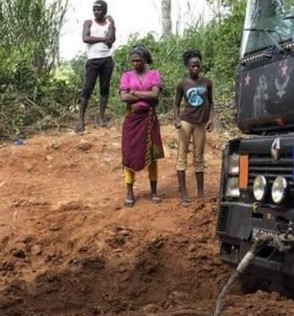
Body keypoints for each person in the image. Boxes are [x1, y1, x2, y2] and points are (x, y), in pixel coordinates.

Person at [118, 46, 164, 207]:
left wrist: (135, 93)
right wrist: (145, 95)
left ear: (145, 60)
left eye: (138, 60)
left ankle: (154, 191)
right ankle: (130, 193)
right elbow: (124, 97)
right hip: (132, 120)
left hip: (149, 119)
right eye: (132, 61)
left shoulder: (154, 74)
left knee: (152, 156)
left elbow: (155, 95)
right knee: (128, 154)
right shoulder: (126, 76)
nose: (135, 64)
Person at [173, 50, 214, 205]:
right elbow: (176, 104)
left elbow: (211, 103)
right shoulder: (183, 84)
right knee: (182, 155)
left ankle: (201, 192)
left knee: (199, 156)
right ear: (187, 67)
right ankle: (183, 193)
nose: (195, 68)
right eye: (192, 66)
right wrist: (176, 119)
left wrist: (211, 119)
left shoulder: (207, 83)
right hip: (186, 122)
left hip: (201, 123)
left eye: (198, 66)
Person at [76, 0, 116, 134]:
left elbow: (111, 40)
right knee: (87, 88)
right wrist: (103, 39)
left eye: (99, 9)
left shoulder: (109, 24)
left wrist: (113, 25)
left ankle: (101, 117)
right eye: (94, 9)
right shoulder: (89, 22)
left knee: (104, 89)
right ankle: (80, 120)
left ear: (105, 11)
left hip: (106, 60)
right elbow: (85, 38)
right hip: (92, 60)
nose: (96, 12)